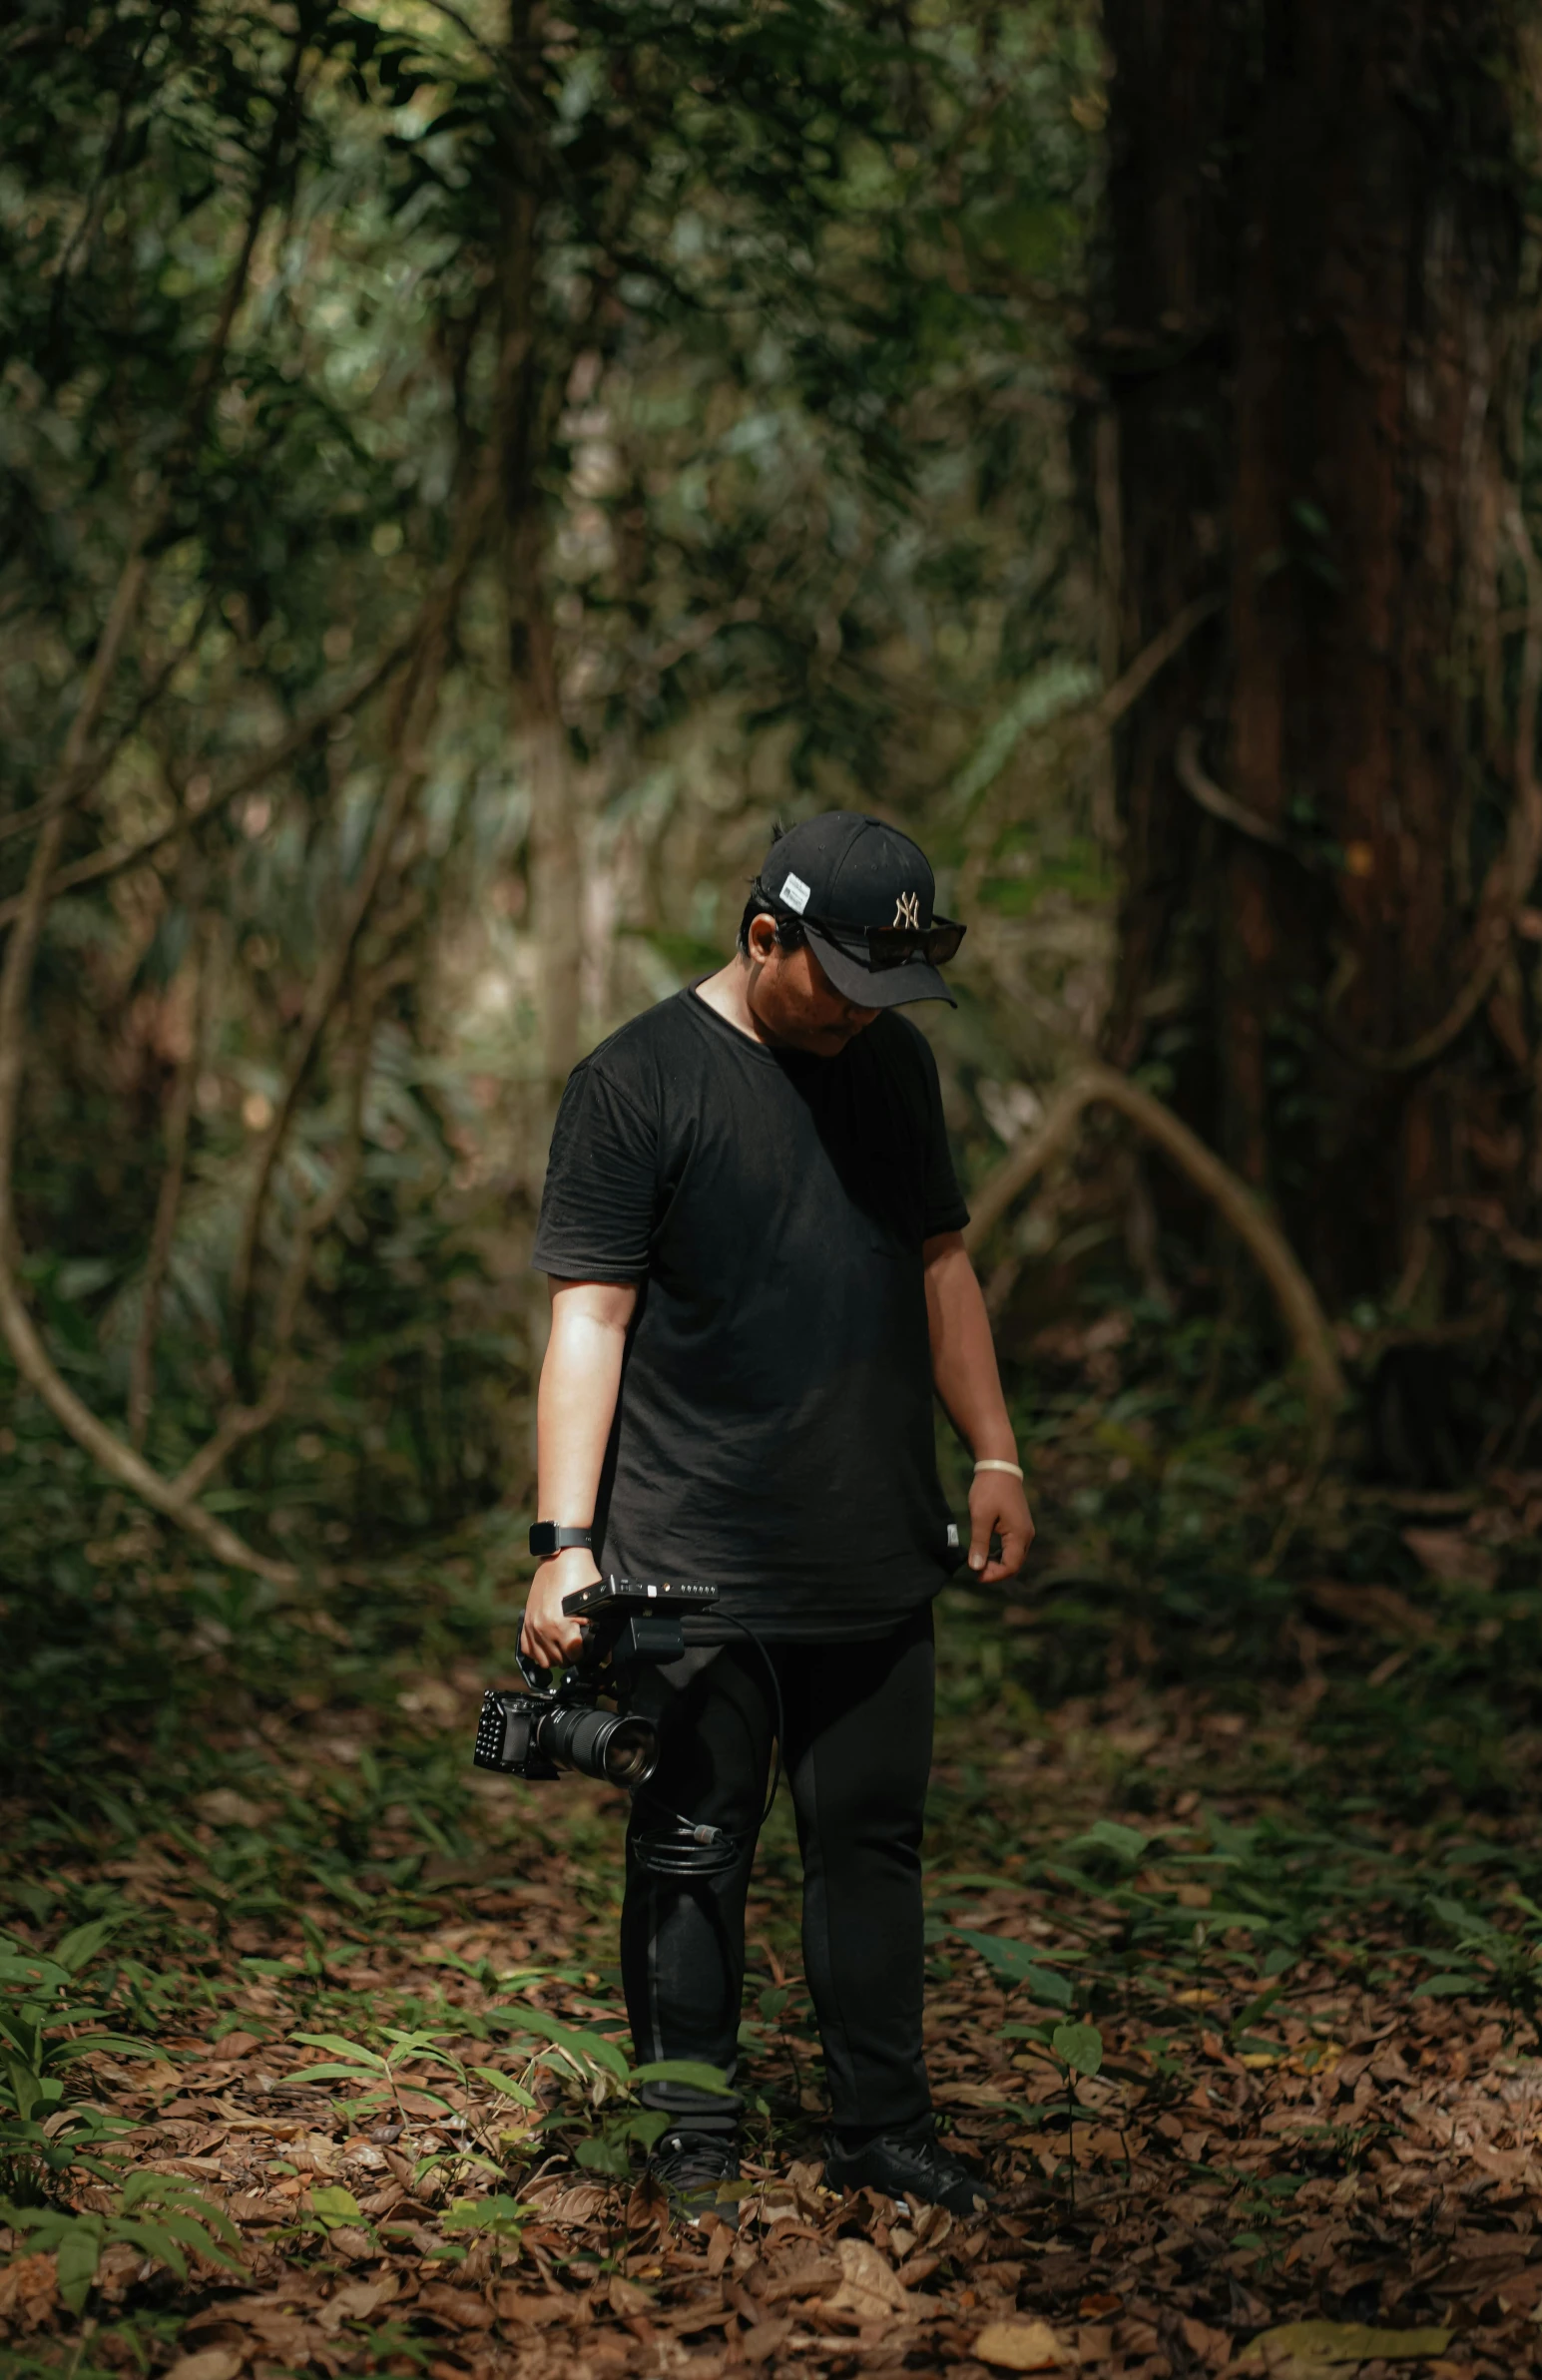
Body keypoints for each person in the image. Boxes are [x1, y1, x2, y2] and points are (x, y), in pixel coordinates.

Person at [523, 810, 1034, 2221]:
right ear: (764, 936)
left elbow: (940, 1266)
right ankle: (690, 2133)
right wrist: (564, 1546)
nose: (865, 1018)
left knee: (872, 1847)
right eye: (844, 984)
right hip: (692, 1556)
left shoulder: (893, 1066)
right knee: (693, 1844)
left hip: (876, 1541)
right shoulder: (636, 1084)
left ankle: (883, 2126)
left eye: (892, 991)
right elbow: (590, 1320)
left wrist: (994, 1453)